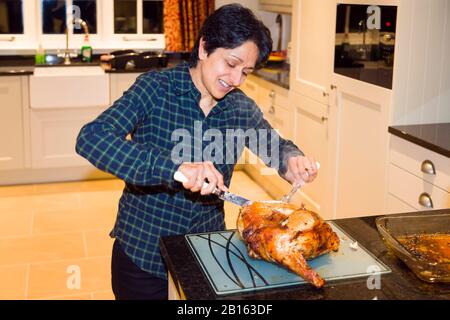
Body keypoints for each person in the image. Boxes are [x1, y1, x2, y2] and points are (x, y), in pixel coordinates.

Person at [75, 4, 318, 300]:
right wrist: (176, 169)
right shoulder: (155, 89)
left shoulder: (240, 107)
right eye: (230, 63)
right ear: (204, 48)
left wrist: (291, 160)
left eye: (246, 71)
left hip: (207, 250)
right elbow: (92, 138)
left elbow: (276, 146)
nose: (236, 79)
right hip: (143, 249)